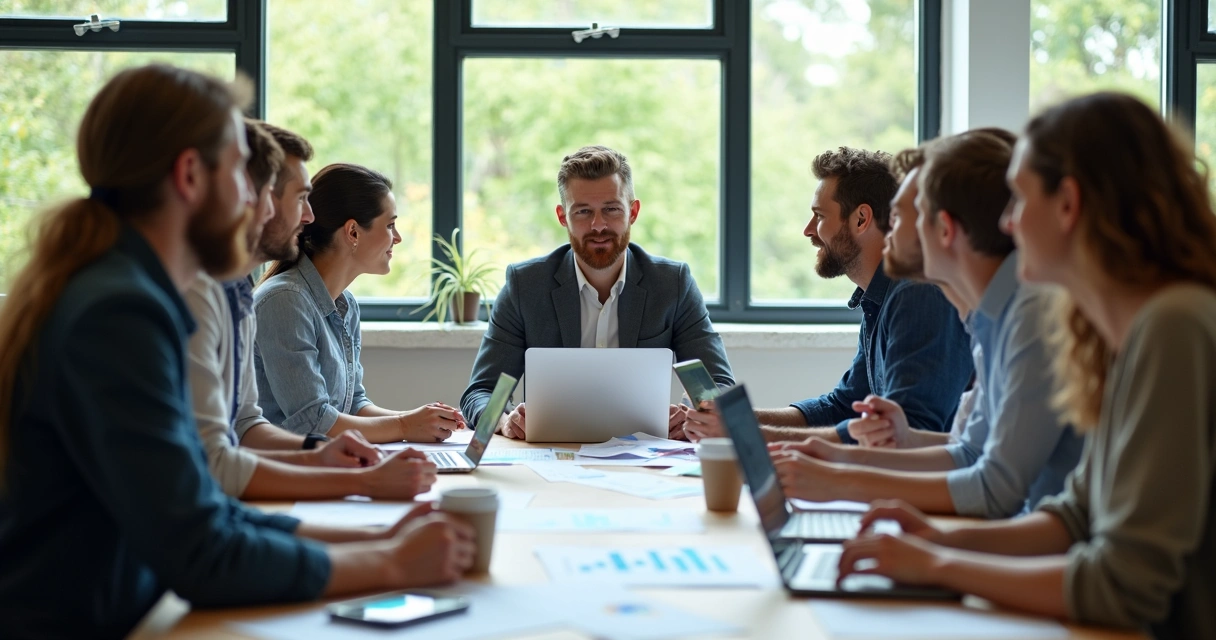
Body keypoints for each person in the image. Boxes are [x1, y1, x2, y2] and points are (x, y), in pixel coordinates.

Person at [0, 64, 473, 639]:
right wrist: (392, 563)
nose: (259, 199)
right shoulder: (120, 314)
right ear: (190, 176)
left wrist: (379, 538)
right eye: (242, 175)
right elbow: (201, 551)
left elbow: (203, 503)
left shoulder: (128, 289)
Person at [836, 92, 1216, 639]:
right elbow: (1073, 517)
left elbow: (1122, 584)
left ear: (1069, 204)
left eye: (1018, 199)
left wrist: (938, 564)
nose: (1008, 224)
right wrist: (934, 539)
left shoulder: (1174, 324)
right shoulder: (1123, 331)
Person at [768, 130, 1084, 518]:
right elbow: (969, 452)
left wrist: (840, 477)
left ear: (944, 229)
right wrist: (835, 456)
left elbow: (994, 488)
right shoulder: (988, 321)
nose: (888, 232)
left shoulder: (1025, 316)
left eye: (899, 217)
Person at [185, 119, 437, 500]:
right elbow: (308, 421)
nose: (308, 217)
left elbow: (250, 425)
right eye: (300, 199)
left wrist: (333, 454)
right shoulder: (273, 298)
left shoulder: (246, 292)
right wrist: (395, 436)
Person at [684, 147, 972, 443]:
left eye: (819, 216)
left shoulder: (918, 295)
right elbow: (842, 407)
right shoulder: (878, 297)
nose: (808, 231)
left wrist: (747, 433)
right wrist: (736, 419)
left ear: (861, 219)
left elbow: (907, 433)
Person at [460, 145, 735, 440]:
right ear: (563, 217)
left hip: (645, 461)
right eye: (583, 212)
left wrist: (689, 415)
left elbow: (718, 385)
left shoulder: (673, 284)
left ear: (633, 211)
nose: (598, 225)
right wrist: (503, 420)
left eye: (611, 209)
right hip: (550, 458)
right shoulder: (525, 286)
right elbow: (481, 392)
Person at [255, 163, 466, 444]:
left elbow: (353, 404)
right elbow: (312, 422)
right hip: (282, 474)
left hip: (325, 467)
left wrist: (420, 421)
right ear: (353, 232)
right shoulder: (285, 301)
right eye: (390, 225)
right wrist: (404, 426)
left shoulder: (345, 305)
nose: (398, 237)